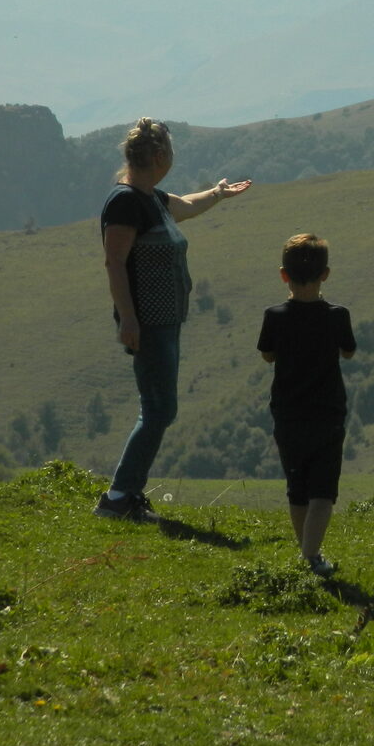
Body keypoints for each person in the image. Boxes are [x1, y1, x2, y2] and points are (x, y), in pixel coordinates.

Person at [94, 117, 252, 522]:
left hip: (165, 322)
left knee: (160, 409)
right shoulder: (126, 201)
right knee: (158, 410)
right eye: (172, 151)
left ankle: (126, 494)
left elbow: (185, 205)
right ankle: (117, 497)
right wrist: (128, 319)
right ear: (160, 155)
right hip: (148, 323)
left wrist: (218, 193)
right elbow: (114, 261)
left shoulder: (149, 198)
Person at [257, 233, 357, 576]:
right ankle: (310, 558)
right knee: (323, 491)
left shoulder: (274, 315)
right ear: (325, 274)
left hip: (287, 413)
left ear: (283, 274)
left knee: (297, 489)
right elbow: (349, 351)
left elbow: (268, 356)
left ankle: (309, 555)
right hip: (327, 412)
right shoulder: (337, 315)